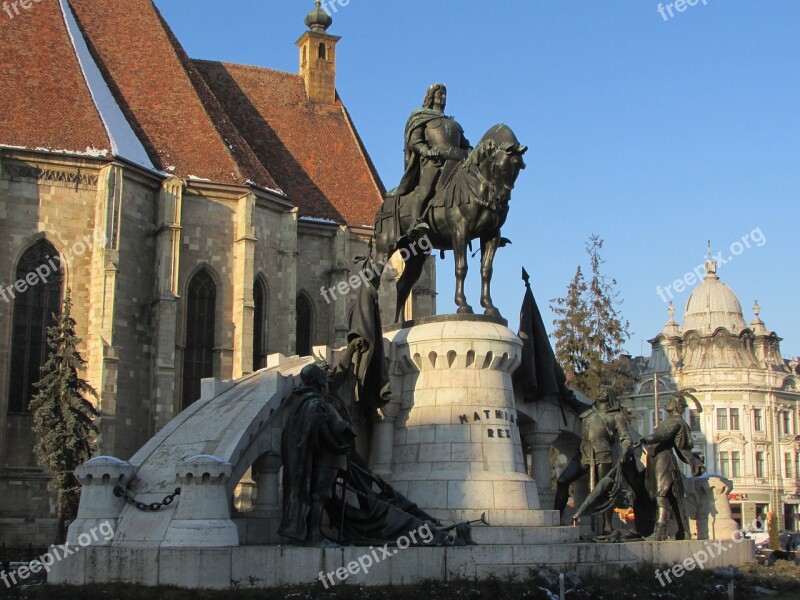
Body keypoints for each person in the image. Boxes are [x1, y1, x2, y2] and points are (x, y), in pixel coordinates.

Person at [278, 363, 354, 545]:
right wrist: (338, 447)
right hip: (325, 458)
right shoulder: (315, 403)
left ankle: (311, 533)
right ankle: (314, 535)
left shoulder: (302, 403)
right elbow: (322, 429)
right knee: (321, 494)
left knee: (317, 494)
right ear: (317, 379)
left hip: (313, 458)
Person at [388, 83, 471, 239]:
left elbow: (465, 145)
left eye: (444, 95)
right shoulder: (422, 118)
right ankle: (414, 224)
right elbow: (415, 141)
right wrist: (427, 151)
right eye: (439, 94)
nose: (442, 97)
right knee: (424, 191)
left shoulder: (454, 124)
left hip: (456, 165)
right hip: (434, 162)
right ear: (431, 98)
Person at [554, 386, 633, 534]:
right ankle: (556, 518)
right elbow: (569, 398)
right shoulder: (586, 410)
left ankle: (607, 525)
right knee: (562, 481)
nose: (601, 392)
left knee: (604, 490)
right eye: (600, 390)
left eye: (604, 391)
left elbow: (625, 437)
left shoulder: (616, 416)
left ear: (610, 395)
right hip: (584, 453)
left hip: (603, 454)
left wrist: (626, 447)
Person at [639, 394, 706, 541]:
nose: (667, 402)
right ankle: (683, 532)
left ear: (676, 405)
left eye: (670, 400)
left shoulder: (677, 422)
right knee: (671, 498)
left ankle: (660, 530)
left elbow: (665, 435)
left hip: (664, 460)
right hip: (656, 459)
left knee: (661, 495)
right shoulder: (668, 420)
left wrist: (648, 438)